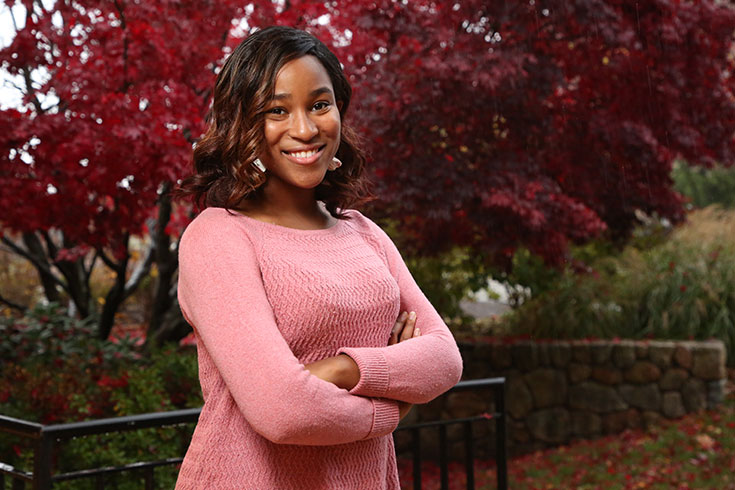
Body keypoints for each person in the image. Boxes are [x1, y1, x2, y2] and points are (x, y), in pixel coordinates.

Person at [173, 25, 463, 489]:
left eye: (319, 104)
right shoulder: (218, 238)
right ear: (242, 122)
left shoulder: (363, 233)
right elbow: (284, 410)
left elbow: (444, 358)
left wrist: (345, 369)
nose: (305, 129)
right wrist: (388, 408)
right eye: (276, 110)